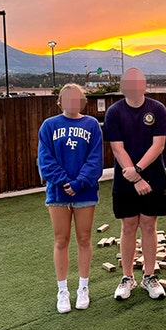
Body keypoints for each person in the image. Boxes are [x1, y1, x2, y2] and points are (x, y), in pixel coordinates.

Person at [103, 68, 166, 300]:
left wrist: (139, 172)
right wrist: (135, 177)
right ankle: (127, 277)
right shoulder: (114, 112)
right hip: (126, 181)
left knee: (149, 225)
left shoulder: (157, 109)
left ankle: (149, 276)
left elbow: (158, 146)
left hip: (153, 178)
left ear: (144, 84)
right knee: (128, 226)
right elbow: (116, 148)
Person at [37, 83, 103, 313]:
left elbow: (96, 160)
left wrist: (78, 183)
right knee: (61, 240)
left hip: (84, 192)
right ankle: (62, 290)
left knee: (84, 239)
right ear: (60, 102)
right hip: (57, 193)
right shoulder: (49, 126)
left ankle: (83, 288)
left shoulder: (92, 125)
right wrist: (65, 182)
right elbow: (45, 161)